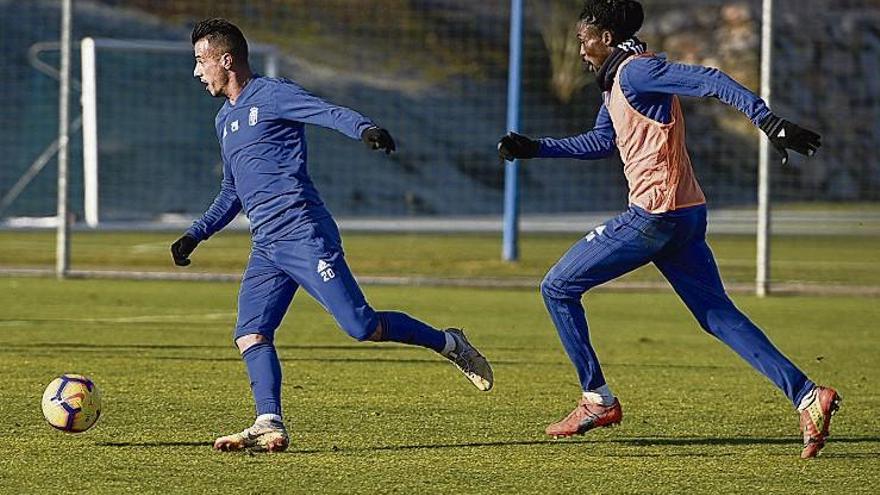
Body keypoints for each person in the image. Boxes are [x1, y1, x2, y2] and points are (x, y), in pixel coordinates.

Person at [497, 0, 838, 459]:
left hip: (654, 217)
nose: (579, 50)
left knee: (557, 287)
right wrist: (535, 147)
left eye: (583, 40)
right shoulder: (616, 79)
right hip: (686, 215)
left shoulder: (637, 72)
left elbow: (712, 80)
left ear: (605, 38)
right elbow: (603, 141)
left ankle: (597, 400)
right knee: (717, 316)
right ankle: (806, 395)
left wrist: (767, 121)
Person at [174, 18, 493, 453]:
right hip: (267, 246)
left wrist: (365, 128)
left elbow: (327, 112)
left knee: (361, 327)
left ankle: (449, 342)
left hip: (303, 232)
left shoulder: (272, 94)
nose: (196, 72)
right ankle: (268, 422)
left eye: (200, 61)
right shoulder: (223, 121)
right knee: (250, 333)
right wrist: (196, 234)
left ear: (226, 60)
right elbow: (233, 189)